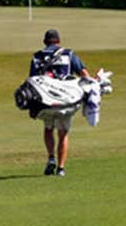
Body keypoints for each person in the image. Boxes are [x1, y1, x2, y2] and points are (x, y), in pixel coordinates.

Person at [30, 30, 88, 177]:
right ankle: (61, 168)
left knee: (48, 129)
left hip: (46, 102)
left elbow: (33, 81)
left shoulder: (37, 56)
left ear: (44, 41)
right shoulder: (68, 54)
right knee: (63, 134)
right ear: (59, 40)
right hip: (65, 102)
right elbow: (84, 75)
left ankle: (51, 158)